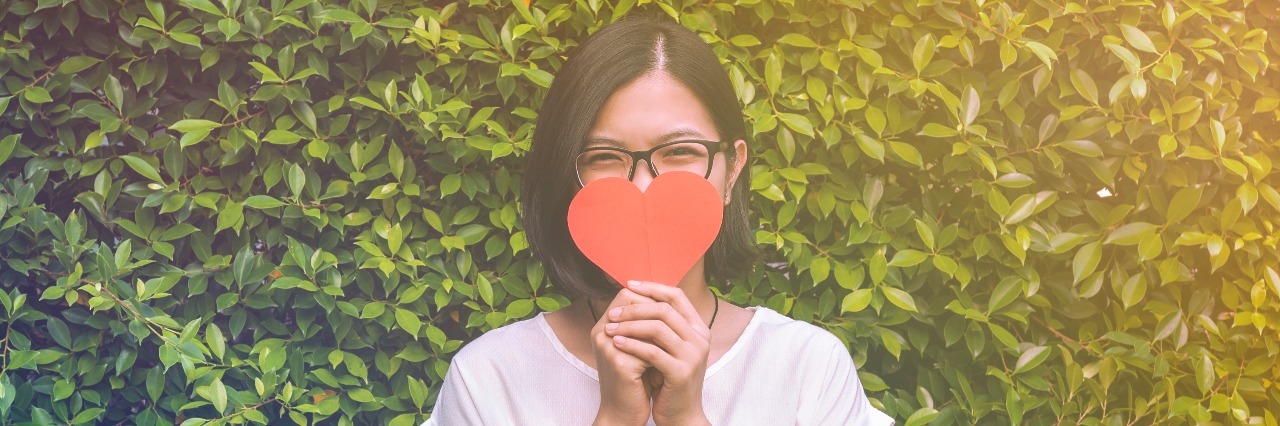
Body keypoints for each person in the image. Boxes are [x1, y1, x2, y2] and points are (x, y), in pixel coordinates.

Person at [423, 12, 895, 426]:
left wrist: (686, 418)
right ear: (567, 175)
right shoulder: (489, 378)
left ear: (732, 169)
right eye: (604, 157)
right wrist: (615, 419)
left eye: (681, 152)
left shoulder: (808, 369)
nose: (644, 189)